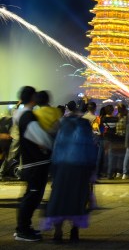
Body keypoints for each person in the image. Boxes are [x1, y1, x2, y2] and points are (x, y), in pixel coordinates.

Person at [41, 104, 97, 243]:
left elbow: (55, 147)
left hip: (62, 167)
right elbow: (90, 150)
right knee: (77, 199)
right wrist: (92, 172)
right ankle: (74, 231)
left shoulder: (62, 125)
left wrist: (53, 170)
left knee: (59, 199)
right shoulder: (84, 125)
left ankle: (58, 232)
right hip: (80, 167)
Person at [15, 86, 53, 242]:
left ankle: (25, 227)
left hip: (31, 163)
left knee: (31, 196)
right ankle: (22, 230)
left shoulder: (21, 115)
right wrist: (49, 144)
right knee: (32, 197)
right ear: (32, 98)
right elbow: (41, 138)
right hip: (36, 162)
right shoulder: (28, 116)